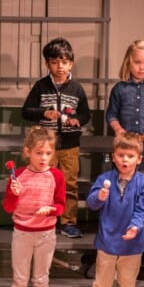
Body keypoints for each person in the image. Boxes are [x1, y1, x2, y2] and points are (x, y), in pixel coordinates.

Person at [81, 132, 144, 287]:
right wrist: (100, 196)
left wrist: (135, 227)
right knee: (102, 284)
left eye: (130, 156)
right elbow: (92, 203)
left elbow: (143, 210)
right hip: (107, 242)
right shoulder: (104, 179)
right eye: (121, 155)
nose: (125, 160)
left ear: (139, 159)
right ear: (114, 156)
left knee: (127, 285)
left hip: (132, 245)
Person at [20, 37, 90, 238]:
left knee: (69, 184)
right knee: (44, 183)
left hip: (70, 145)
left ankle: (68, 222)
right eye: (55, 62)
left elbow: (86, 114)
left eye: (65, 62)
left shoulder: (77, 89)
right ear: (47, 63)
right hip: (45, 146)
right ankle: (43, 218)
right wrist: (44, 113)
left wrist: (77, 120)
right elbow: (26, 111)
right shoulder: (41, 86)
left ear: (71, 63)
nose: (60, 67)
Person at [0, 127, 65, 287]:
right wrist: (13, 193)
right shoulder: (18, 176)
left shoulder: (57, 176)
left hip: (46, 233)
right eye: (39, 153)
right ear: (27, 152)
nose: (44, 157)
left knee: (41, 276)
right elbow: (8, 208)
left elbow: (61, 205)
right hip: (22, 232)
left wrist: (52, 209)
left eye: (48, 153)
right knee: (20, 276)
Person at [105, 39, 144, 240]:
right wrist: (118, 129)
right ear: (129, 62)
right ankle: (123, 223)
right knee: (123, 188)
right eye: (137, 62)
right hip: (126, 150)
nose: (141, 68)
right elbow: (111, 115)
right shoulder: (120, 89)